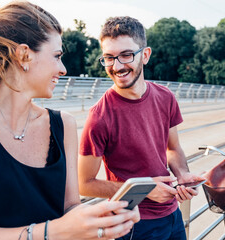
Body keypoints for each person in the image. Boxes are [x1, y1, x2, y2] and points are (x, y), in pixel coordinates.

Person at [0, 2, 139, 240]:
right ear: (24, 55)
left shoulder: (63, 125)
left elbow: (70, 209)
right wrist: (52, 232)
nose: (63, 68)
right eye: (57, 56)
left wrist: (101, 219)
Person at [78, 16, 205, 240]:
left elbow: (173, 148)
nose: (117, 66)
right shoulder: (99, 117)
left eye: (126, 55)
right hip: (133, 223)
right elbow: (84, 184)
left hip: (172, 215)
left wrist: (183, 174)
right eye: (109, 58)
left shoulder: (165, 97)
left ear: (145, 55)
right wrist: (142, 189)